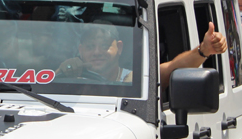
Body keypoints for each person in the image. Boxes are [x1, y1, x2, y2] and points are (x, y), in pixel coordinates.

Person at [56, 21, 227, 87]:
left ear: (119, 48)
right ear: (80, 51)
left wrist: (203, 51)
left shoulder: (136, 80)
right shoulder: (69, 76)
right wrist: (61, 73)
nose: (97, 52)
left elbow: (172, 68)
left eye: (104, 45)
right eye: (90, 46)